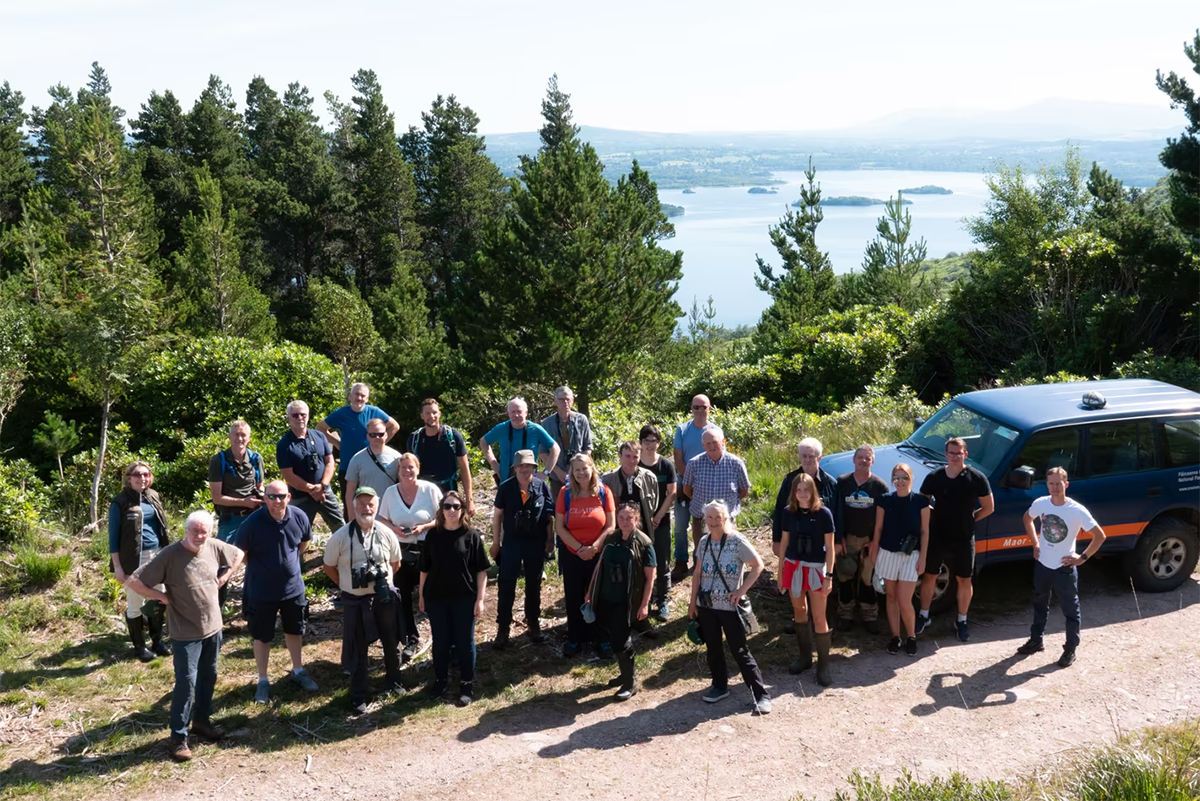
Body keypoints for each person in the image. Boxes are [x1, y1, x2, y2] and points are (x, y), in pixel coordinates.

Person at [125, 511, 243, 762]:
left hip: (213, 626)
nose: (200, 536)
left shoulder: (213, 546)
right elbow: (134, 581)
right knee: (186, 683)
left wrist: (223, 578)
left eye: (204, 531)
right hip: (185, 632)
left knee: (208, 676)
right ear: (185, 530)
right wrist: (162, 597)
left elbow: (238, 554)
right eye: (195, 531)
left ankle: (201, 722)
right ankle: (178, 738)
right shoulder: (170, 555)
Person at [234, 480, 319, 704]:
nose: (277, 501)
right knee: (262, 636)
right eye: (272, 496)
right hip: (261, 591)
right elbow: (241, 553)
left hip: (293, 589)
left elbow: (304, 543)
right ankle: (263, 680)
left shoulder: (299, 516)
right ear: (265, 498)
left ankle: (298, 670)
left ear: (288, 497)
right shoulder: (252, 523)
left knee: (295, 630)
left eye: (281, 496)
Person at [322, 487, 404, 715]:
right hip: (354, 601)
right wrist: (345, 584)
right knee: (357, 648)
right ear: (352, 506)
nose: (366, 508)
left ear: (376, 507)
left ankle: (394, 681)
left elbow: (396, 563)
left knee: (390, 640)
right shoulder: (340, 536)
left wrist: (383, 582)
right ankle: (359, 694)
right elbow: (328, 566)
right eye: (361, 504)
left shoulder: (386, 533)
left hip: (383, 598)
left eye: (370, 504)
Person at [1017, 467, 1106, 668]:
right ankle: (1036, 640)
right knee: (1040, 602)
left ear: (1066, 484)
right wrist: (1035, 543)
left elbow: (1099, 536)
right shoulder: (1041, 503)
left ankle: (1070, 649)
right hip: (1043, 564)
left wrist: (1082, 557)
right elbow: (1027, 518)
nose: (1055, 488)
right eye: (1051, 484)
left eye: (1059, 483)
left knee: (1070, 610)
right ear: (1046, 484)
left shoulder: (1076, 510)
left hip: (1063, 568)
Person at [688, 500, 770, 714]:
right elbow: (697, 572)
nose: (714, 521)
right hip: (706, 606)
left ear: (726, 519)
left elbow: (758, 565)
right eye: (710, 518)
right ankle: (719, 686)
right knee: (713, 648)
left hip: (730, 607)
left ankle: (761, 695)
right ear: (705, 520)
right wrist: (692, 602)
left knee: (740, 651)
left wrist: (741, 590)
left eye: (718, 517)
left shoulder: (737, 541)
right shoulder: (704, 542)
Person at [917, 437, 995, 642]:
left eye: (958, 453)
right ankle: (923, 616)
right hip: (938, 535)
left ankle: (961, 620)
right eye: (951, 453)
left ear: (965, 455)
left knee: (964, 579)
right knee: (930, 575)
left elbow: (989, 507)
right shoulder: (934, 477)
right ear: (945, 454)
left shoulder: (977, 478)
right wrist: (935, 514)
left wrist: (970, 519)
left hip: (964, 537)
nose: (954, 457)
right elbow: (921, 502)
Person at [419, 491, 490, 706]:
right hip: (436, 598)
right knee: (440, 643)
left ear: (462, 510)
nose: (451, 510)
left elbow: (482, 571)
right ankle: (440, 682)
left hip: (464, 598)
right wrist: (421, 595)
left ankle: (466, 684)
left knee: (465, 643)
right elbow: (424, 568)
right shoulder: (432, 535)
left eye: (456, 506)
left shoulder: (472, 536)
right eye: (447, 506)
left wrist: (480, 599)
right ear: (441, 510)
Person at [586, 503, 656, 700]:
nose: (624, 521)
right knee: (612, 636)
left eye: (629, 518)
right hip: (606, 596)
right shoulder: (611, 538)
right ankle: (624, 674)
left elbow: (651, 578)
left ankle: (630, 682)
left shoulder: (644, 543)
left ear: (637, 519)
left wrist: (644, 605)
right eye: (621, 517)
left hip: (627, 601)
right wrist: (591, 591)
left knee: (621, 639)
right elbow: (599, 565)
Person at [377, 453, 443, 662]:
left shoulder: (430, 489)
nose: (407, 471)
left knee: (433, 595)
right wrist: (395, 529)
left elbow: (443, 515)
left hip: (428, 547)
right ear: (398, 471)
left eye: (411, 467)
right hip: (401, 550)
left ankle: (443, 639)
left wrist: (424, 526)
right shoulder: (390, 492)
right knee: (402, 597)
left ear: (418, 468)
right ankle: (411, 639)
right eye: (403, 468)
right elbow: (381, 517)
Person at [490, 449, 555, 649]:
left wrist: (550, 539)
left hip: (535, 541)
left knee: (534, 584)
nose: (525, 469)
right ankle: (503, 629)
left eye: (529, 466)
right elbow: (498, 516)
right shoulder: (506, 488)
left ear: (534, 468)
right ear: (515, 468)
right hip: (512, 541)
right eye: (521, 466)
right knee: (506, 583)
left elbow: (549, 516)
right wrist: (495, 542)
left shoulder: (541, 486)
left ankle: (533, 624)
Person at [109, 461, 172, 662]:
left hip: (158, 555)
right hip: (133, 558)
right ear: (128, 478)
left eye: (146, 474)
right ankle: (139, 647)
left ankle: (157, 641)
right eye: (137, 475)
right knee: (135, 601)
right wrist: (118, 566)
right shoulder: (120, 501)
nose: (142, 478)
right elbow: (113, 537)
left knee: (158, 597)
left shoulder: (153, 496)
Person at [777, 473, 836, 685]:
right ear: (794, 493)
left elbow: (830, 548)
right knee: (799, 611)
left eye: (806, 489)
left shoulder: (824, 514)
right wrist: (780, 571)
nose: (802, 494)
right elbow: (784, 543)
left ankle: (824, 666)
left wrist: (828, 576)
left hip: (816, 569)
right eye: (798, 490)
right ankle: (805, 658)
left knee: (819, 617)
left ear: (813, 491)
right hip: (793, 567)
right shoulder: (788, 513)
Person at [556, 453, 616, 657]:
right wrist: (579, 549)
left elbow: (611, 525)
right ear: (572, 472)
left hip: (598, 554)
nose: (581, 472)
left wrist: (593, 548)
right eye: (577, 469)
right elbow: (560, 527)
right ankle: (575, 638)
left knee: (599, 596)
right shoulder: (565, 493)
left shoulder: (603, 492)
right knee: (573, 597)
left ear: (592, 469)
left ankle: (603, 639)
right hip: (572, 554)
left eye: (585, 468)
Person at [868, 463, 930, 657]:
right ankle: (895, 637)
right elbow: (878, 528)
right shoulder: (885, 500)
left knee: (905, 600)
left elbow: (925, 531)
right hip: (887, 553)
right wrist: (874, 549)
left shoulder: (921, 501)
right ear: (892, 480)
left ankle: (911, 636)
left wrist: (924, 558)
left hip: (911, 556)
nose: (900, 481)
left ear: (911, 478)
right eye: (896, 478)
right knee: (891, 597)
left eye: (904, 477)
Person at [208, 420, 265, 610]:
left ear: (249, 438)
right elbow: (217, 498)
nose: (239, 438)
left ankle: (253, 607)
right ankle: (215, 611)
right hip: (230, 519)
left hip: (254, 517)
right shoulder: (219, 461)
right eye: (236, 435)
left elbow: (259, 487)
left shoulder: (256, 459)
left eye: (243, 435)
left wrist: (263, 497)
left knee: (258, 562)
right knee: (221, 564)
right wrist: (244, 502)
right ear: (230, 437)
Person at [316, 382, 400, 510]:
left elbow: (394, 426)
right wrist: (338, 443)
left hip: (371, 467)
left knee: (373, 506)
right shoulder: (341, 414)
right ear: (350, 396)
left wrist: (378, 443)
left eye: (362, 395)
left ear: (367, 399)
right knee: (350, 505)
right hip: (348, 465)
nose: (359, 398)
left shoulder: (374, 411)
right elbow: (320, 428)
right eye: (356, 394)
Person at [833, 445, 888, 633]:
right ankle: (845, 614)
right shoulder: (842, 482)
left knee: (867, 579)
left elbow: (883, 517)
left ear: (873, 461)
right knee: (845, 575)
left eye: (868, 458)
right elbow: (836, 512)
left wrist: (875, 541)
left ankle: (870, 615)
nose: (864, 460)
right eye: (860, 457)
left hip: (868, 540)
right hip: (847, 539)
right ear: (854, 459)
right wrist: (838, 538)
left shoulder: (879, 486)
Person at [277, 400, 345, 532]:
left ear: (308, 416)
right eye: (295, 415)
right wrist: (312, 490)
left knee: (341, 529)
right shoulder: (284, 444)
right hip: (301, 497)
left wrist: (322, 486)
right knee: (297, 533)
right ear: (288, 417)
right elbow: (288, 476)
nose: (300, 418)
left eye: (303, 414)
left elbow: (330, 462)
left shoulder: (319, 436)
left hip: (325, 492)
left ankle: (344, 553)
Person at [680, 426, 750, 554]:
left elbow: (744, 490)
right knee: (702, 556)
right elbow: (687, 489)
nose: (712, 446)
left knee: (729, 554)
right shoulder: (694, 464)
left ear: (723, 442)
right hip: (701, 519)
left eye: (715, 442)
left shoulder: (736, 463)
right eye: (708, 443)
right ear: (703, 445)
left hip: (726, 519)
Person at [671, 394, 716, 581]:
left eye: (703, 407)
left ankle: (702, 560)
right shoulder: (682, 430)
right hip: (683, 483)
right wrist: (688, 482)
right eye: (695, 407)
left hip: (708, 484)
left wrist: (699, 484)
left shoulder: (715, 431)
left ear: (709, 408)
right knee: (681, 525)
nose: (699, 410)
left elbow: (718, 455)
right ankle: (681, 561)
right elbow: (678, 456)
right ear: (691, 409)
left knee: (705, 524)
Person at [406, 398, 475, 516]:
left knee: (452, 526)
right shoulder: (414, 439)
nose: (431, 416)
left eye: (434, 412)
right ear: (422, 416)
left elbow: (464, 468)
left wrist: (469, 499)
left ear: (439, 414)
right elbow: (409, 470)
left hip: (449, 490)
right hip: (424, 492)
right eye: (427, 413)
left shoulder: (452, 436)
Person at [639, 424, 677, 620]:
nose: (650, 445)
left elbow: (672, 493)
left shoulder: (666, 465)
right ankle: (641, 599)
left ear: (659, 443)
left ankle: (662, 601)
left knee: (662, 561)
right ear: (640, 443)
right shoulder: (636, 465)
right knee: (640, 561)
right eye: (646, 441)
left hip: (661, 520)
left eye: (654, 441)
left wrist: (659, 516)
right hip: (639, 523)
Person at [480, 397, 560, 483]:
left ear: (526, 413)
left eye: (519, 411)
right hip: (506, 482)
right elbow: (484, 442)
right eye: (513, 412)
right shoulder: (501, 429)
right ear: (508, 413)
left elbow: (555, 449)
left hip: (530, 483)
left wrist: (545, 472)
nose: (516, 415)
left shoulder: (535, 429)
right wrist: (494, 464)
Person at [541, 385, 594, 501]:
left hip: (580, 475)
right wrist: (558, 472)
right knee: (560, 510)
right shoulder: (546, 423)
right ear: (555, 401)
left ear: (572, 401)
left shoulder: (582, 420)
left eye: (568, 399)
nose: (565, 402)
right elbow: (542, 452)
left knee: (581, 506)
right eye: (561, 399)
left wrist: (577, 469)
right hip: (557, 476)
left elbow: (588, 447)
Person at [600, 440, 659, 537]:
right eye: (627, 456)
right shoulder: (608, 479)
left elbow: (653, 506)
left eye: (635, 457)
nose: (631, 461)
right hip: (615, 533)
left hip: (643, 532)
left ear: (640, 457)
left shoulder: (649, 478)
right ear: (620, 456)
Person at [345, 417, 402, 503]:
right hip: (366, 509)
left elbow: (404, 486)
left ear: (386, 435)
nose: (377, 437)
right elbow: (350, 491)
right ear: (367, 436)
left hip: (390, 510)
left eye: (380, 434)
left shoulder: (397, 458)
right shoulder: (357, 459)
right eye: (373, 435)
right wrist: (352, 515)